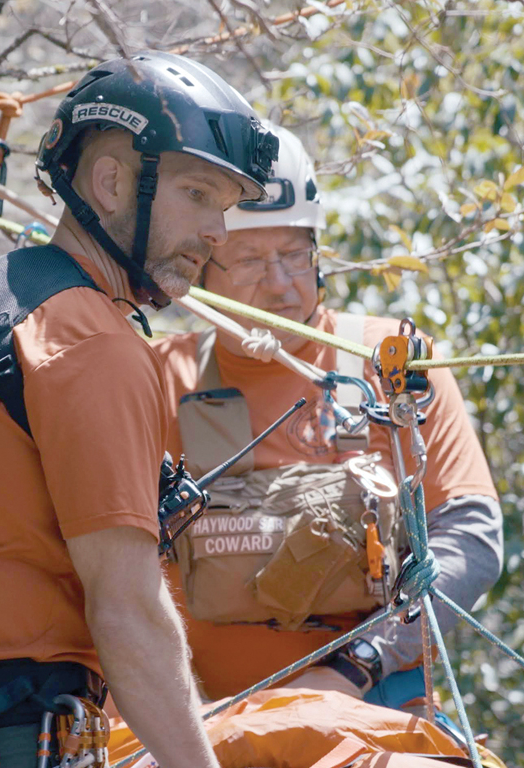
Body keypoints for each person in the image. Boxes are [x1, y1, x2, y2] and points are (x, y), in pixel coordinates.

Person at [0, 53, 279, 768]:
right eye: (198, 193)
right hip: (10, 747)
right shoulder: (92, 343)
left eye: (227, 204)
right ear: (112, 182)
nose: (217, 232)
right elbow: (127, 607)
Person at [147, 123, 503, 714]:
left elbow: (471, 537)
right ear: (202, 274)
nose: (283, 284)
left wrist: (356, 666)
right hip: (202, 718)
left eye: (294, 254)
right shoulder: (158, 378)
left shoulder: (390, 363)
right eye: (252, 262)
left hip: (378, 705)